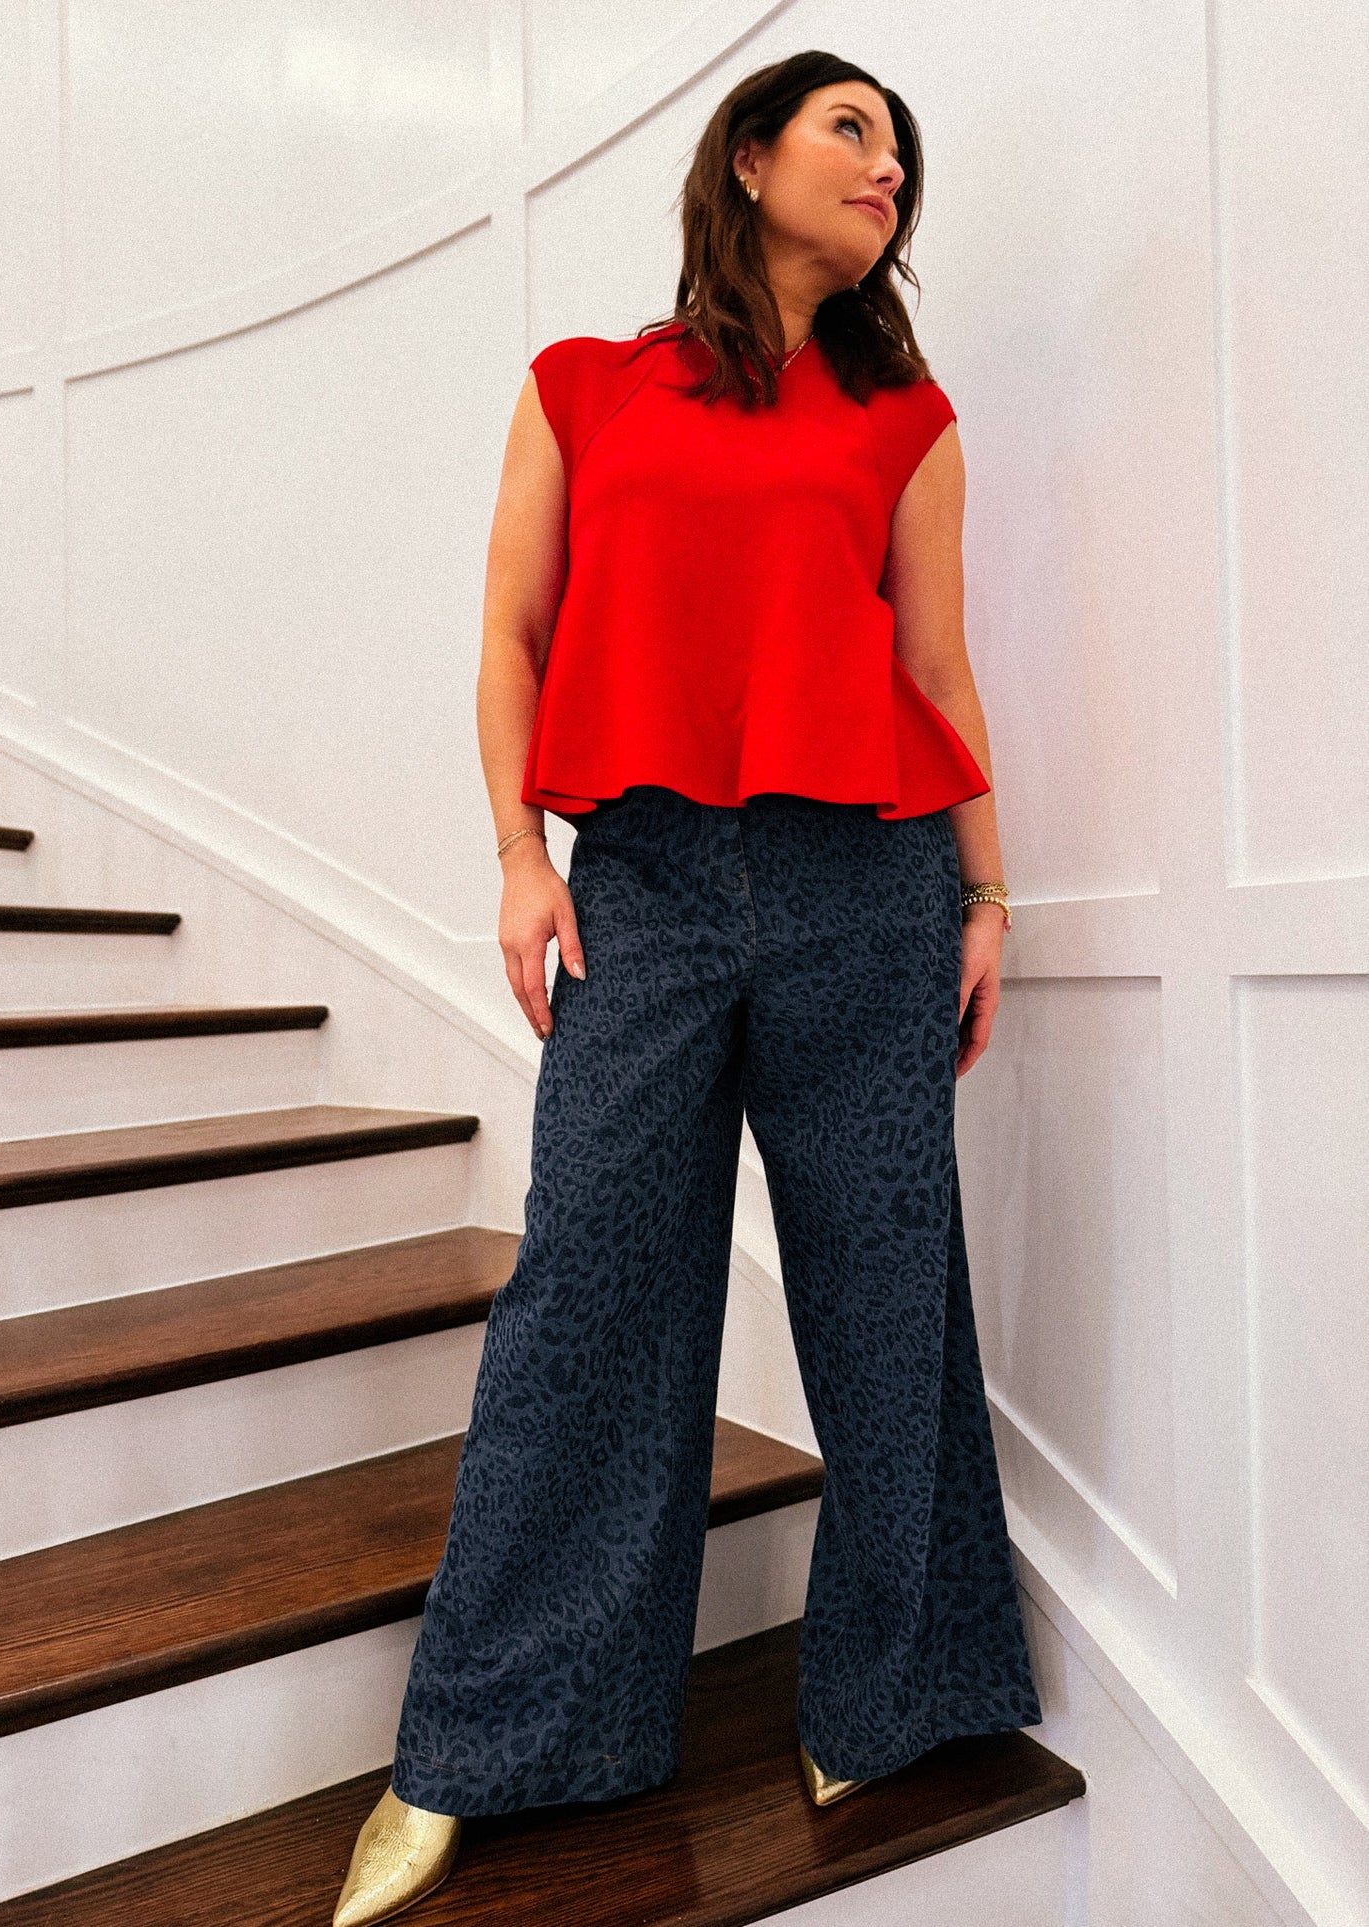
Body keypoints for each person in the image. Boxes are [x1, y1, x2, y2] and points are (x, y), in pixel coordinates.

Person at [332, 48, 1041, 1925]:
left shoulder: (904, 418)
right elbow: (510, 630)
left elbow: (938, 671)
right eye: (849, 128)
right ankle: (493, 1741)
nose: (885, 167)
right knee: (588, 1293)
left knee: (884, 1288)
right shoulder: (586, 387)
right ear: (744, 157)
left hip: (865, 883)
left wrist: (985, 889)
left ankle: (901, 1694)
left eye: (902, 148)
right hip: (640, 880)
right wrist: (517, 854)